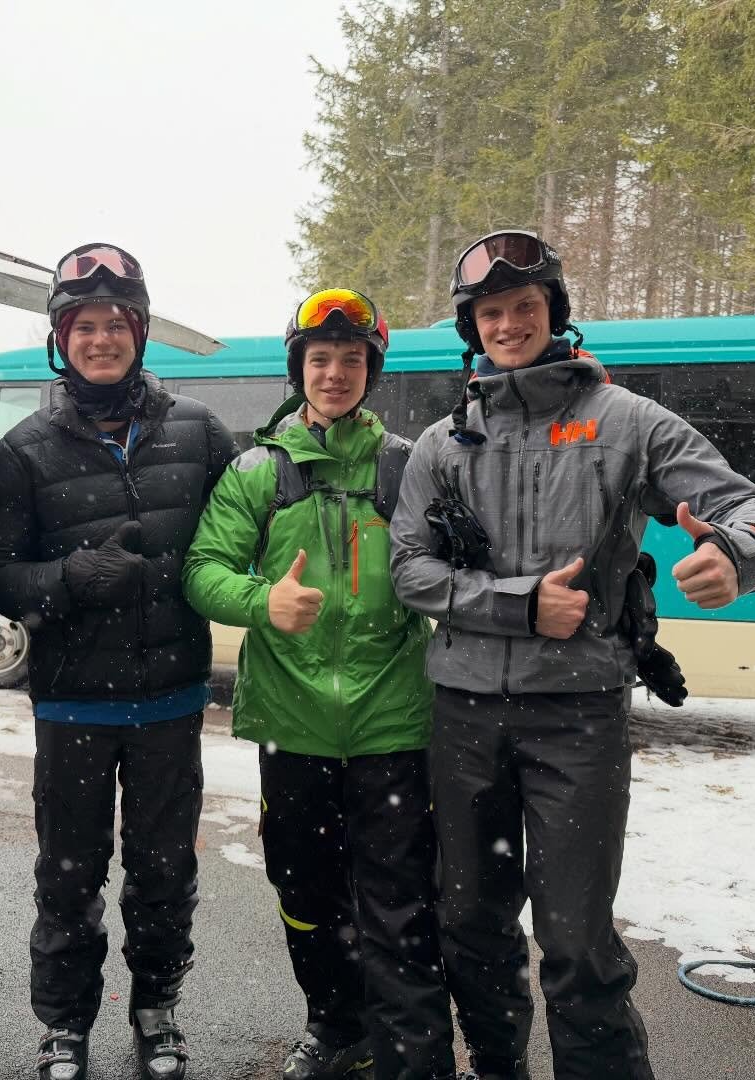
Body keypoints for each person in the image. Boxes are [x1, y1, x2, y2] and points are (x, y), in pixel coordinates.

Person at [388, 231, 755, 1080]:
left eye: (524, 307)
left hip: (577, 719)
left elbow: (747, 507)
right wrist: (520, 604)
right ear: (471, 328)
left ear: (554, 312)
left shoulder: (625, 422)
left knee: (575, 938)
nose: (508, 324)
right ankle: (497, 1065)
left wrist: (735, 554)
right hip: (462, 716)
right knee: (471, 921)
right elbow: (409, 571)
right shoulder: (441, 444)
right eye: (490, 313)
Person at [183, 289, 457, 1080]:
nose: (334, 373)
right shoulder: (257, 470)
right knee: (303, 892)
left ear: (372, 371)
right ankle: (336, 1027)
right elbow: (202, 569)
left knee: (400, 899)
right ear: (298, 368)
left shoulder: (408, 465)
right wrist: (261, 602)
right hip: (291, 723)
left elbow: (460, 565)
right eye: (320, 359)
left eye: (351, 360)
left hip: (392, 723)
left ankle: (411, 1051)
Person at [0, 243, 237, 1080]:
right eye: (84, 327)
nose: (101, 340)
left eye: (115, 325)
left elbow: (256, 523)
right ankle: (64, 1023)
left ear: (139, 332)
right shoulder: (24, 449)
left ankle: (157, 1008)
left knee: (164, 870)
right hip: (73, 703)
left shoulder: (198, 430)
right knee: (69, 875)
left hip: (170, 700)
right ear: (62, 340)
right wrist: (69, 579)